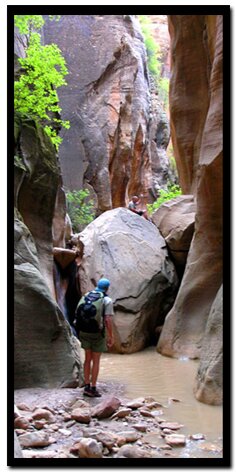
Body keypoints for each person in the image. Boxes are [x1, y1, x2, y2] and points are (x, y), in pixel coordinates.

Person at [78, 278, 114, 397]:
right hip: (97, 334)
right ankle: (93, 388)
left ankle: (86, 386)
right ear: (107, 288)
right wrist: (111, 336)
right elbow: (108, 320)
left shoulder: (86, 295)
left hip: (83, 331)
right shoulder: (107, 300)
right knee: (96, 360)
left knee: (87, 359)